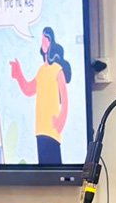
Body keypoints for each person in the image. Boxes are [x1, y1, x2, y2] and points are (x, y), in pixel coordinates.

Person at [9, 26, 71, 165]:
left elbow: (65, 100)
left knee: (54, 167)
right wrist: (18, 74)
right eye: (42, 38)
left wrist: (60, 121)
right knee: (43, 169)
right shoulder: (41, 70)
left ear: (51, 42)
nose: (43, 41)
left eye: (46, 38)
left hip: (52, 130)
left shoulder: (57, 70)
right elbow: (29, 89)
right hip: (40, 129)